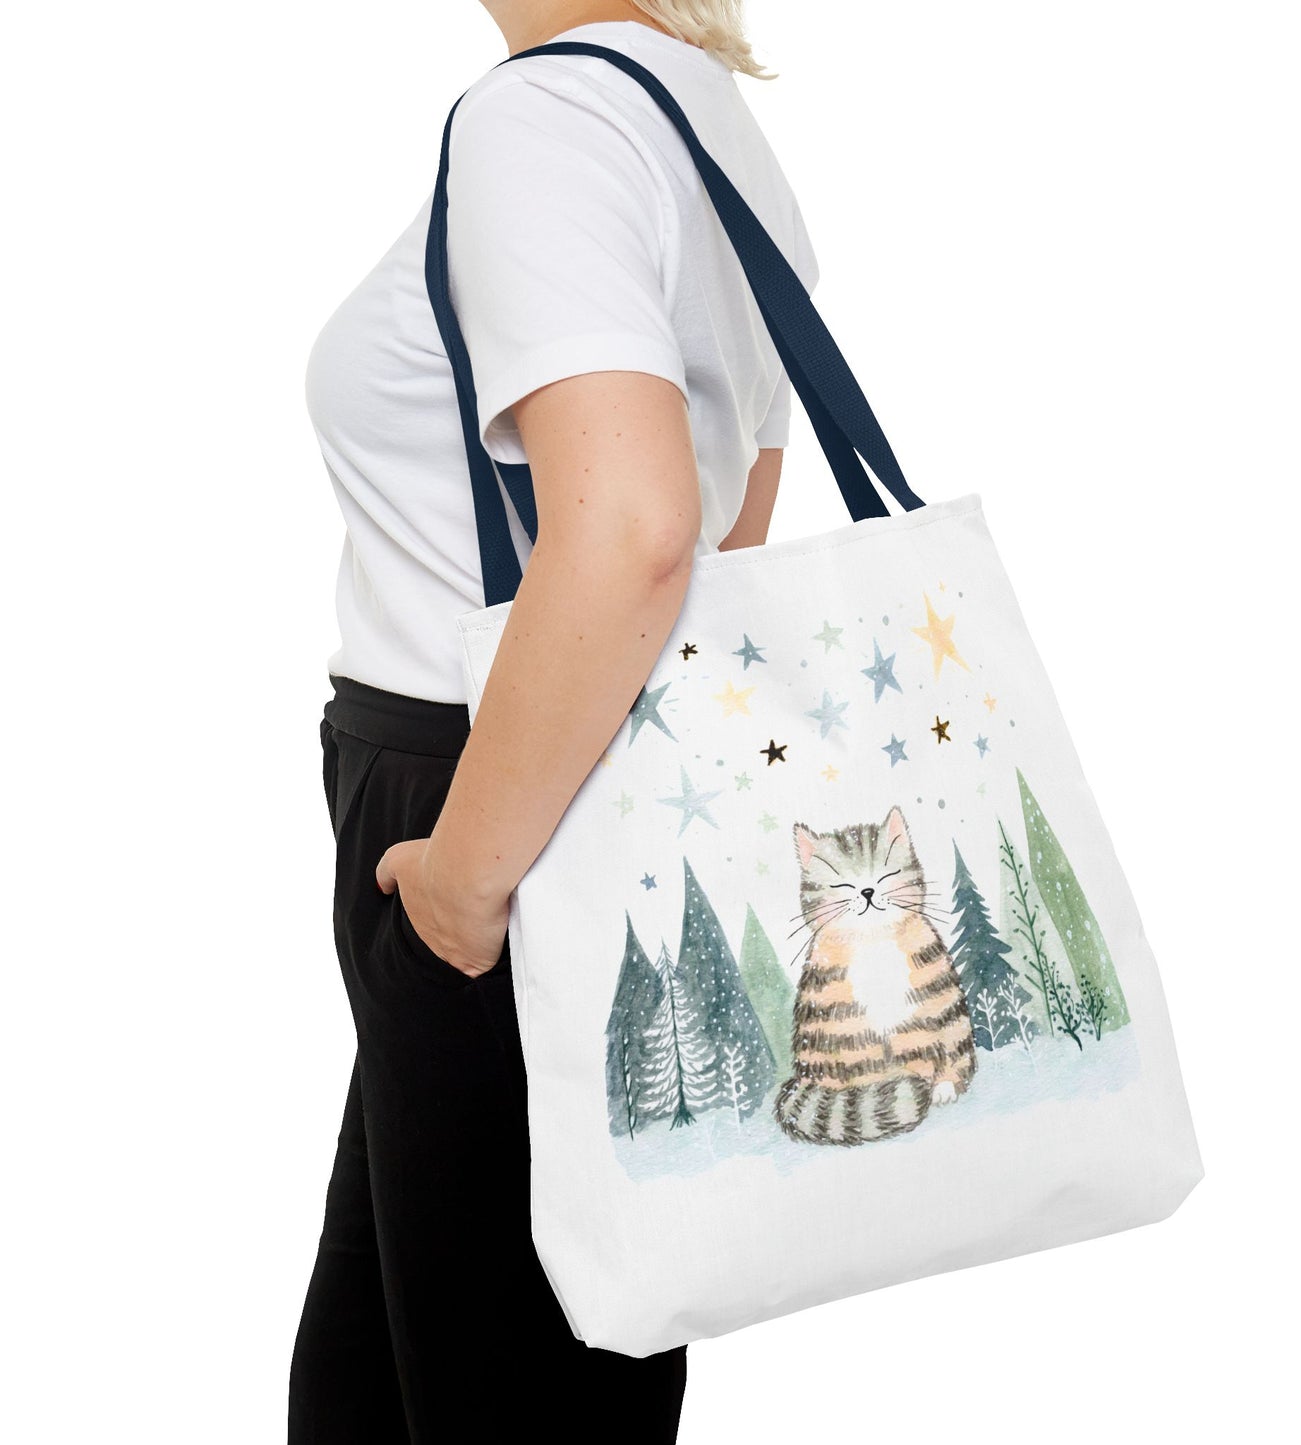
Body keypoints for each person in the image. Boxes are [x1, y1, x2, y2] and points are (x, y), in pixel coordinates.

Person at [288, 2, 817, 1440]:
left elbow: (640, 529)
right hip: (583, 785)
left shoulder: (546, 119)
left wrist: (464, 883)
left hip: (486, 810)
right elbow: (732, 533)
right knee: (404, 1374)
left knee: (498, 1390)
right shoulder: (700, 113)